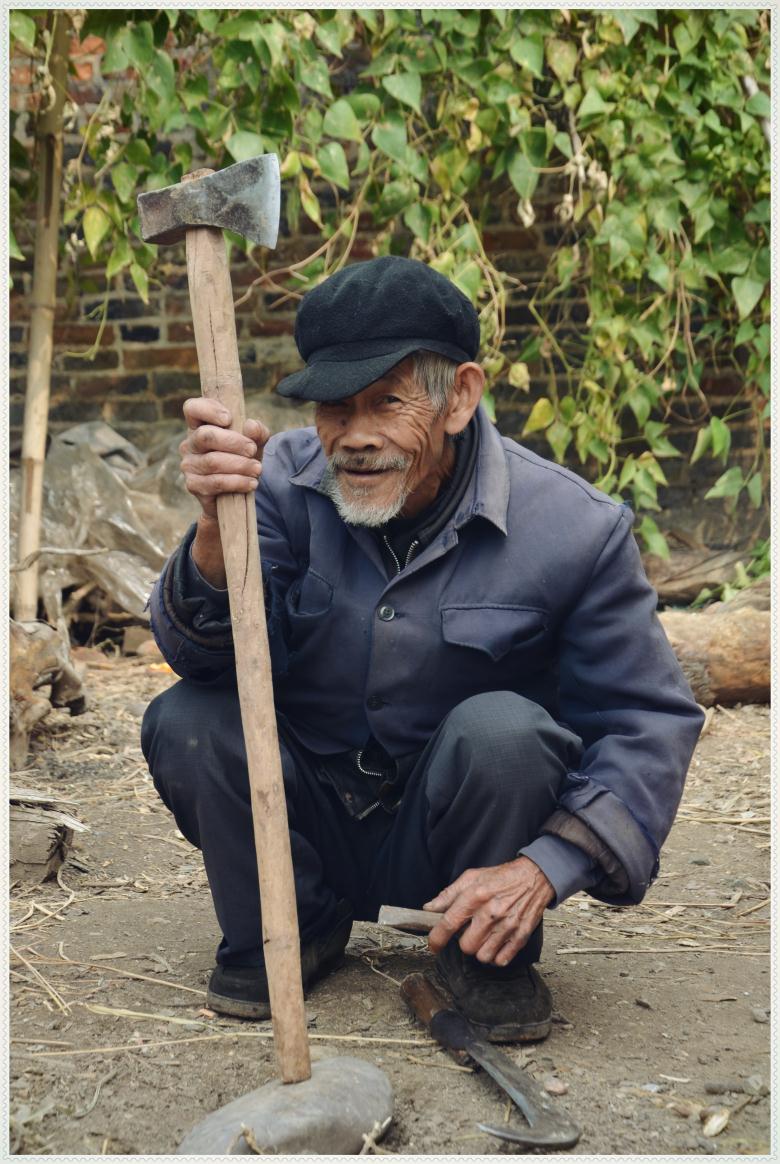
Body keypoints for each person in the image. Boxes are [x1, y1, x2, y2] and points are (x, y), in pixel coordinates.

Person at [142, 256, 703, 1043]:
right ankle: (289, 925)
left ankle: (482, 955)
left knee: (505, 732)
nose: (356, 438)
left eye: (387, 403)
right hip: (300, 820)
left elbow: (649, 720)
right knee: (190, 719)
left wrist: (549, 864)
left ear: (460, 397)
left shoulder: (576, 527)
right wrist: (210, 528)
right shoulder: (272, 491)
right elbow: (201, 660)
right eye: (335, 409)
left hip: (458, 842)